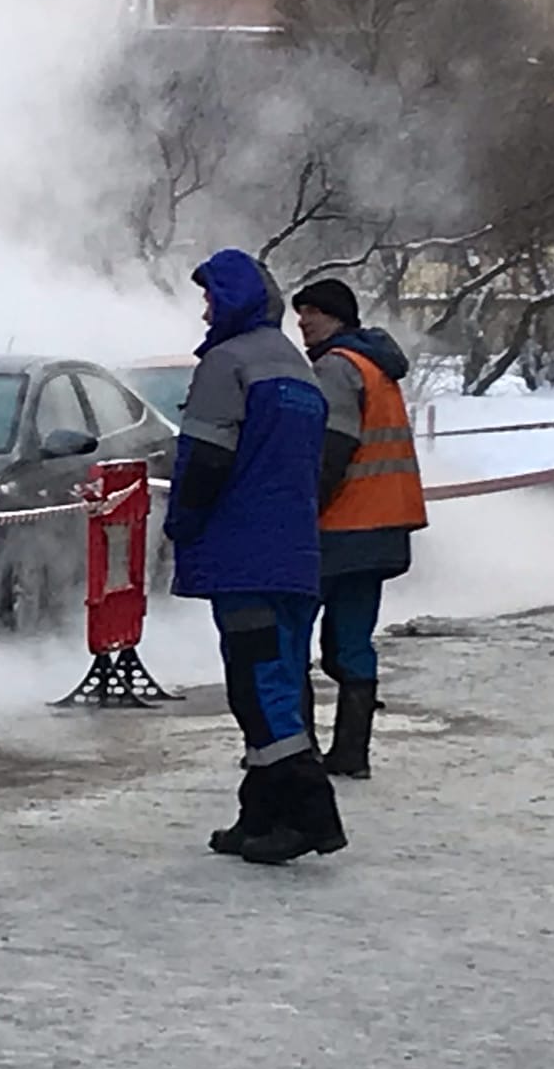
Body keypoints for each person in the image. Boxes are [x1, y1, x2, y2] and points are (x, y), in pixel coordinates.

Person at [163, 249, 345, 866]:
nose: (207, 308)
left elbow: (206, 459)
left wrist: (183, 524)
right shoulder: (297, 367)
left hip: (244, 553)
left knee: (257, 683)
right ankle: (260, 812)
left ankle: (308, 816)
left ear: (233, 299)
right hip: (296, 552)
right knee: (282, 676)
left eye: (212, 296)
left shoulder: (227, 363)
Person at [289, 276, 427, 780]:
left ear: (338, 318)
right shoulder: (376, 366)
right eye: (300, 312)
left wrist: (300, 509)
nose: (303, 321)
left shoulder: (336, 368)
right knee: (351, 641)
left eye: (313, 312)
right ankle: (352, 753)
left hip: (338, 527)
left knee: (291, 637)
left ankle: (294, 752)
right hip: (384, 527)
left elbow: (332, 450)